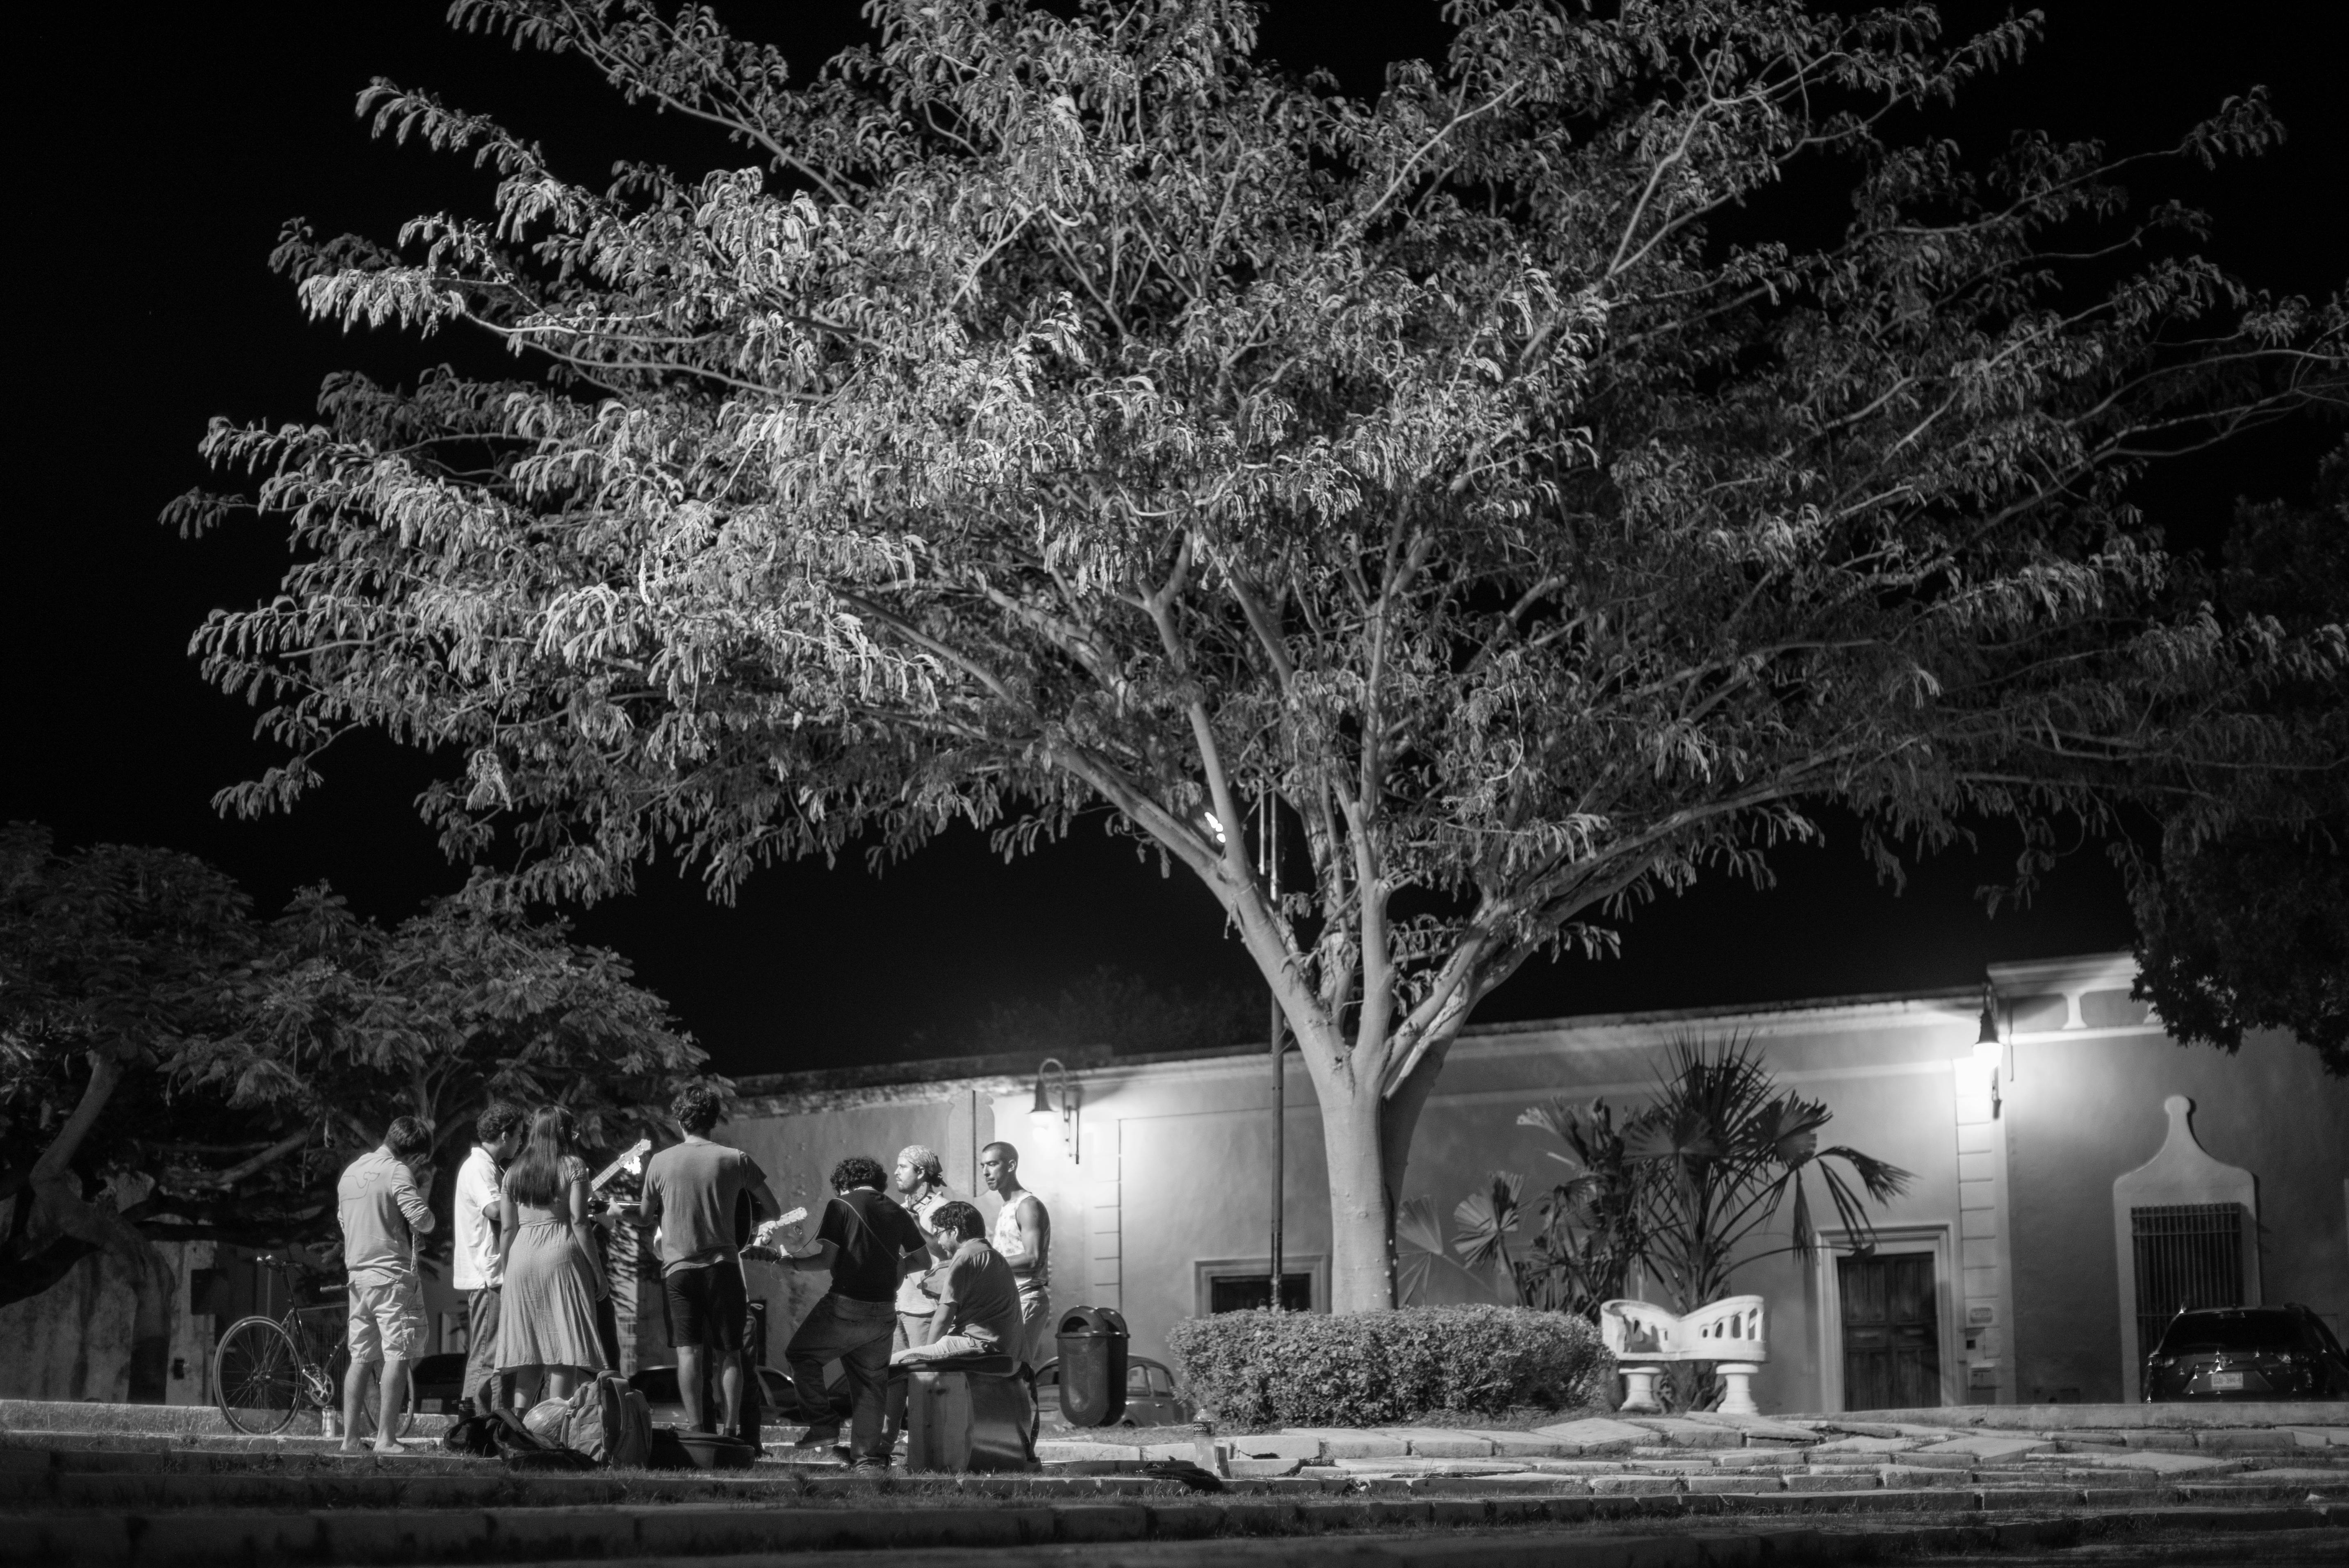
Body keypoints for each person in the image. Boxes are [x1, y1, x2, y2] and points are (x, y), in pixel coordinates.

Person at [627, 1082, 777, 1434]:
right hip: (723, 1269)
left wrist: (617, 1214)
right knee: (730, 1352)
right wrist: (753, 1232)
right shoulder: (735, 1159)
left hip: (678, 1271)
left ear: (680, 1120)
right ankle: (731, 1431)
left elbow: (645, 1217)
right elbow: (773, 1208)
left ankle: (697, 1430)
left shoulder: (660, 1162)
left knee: (688, 1353)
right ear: (714, 1120)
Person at [779, 1154, 929, 1469]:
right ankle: (866, 1461)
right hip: (885, 1311)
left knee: (802, 1356)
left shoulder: (841, 1205)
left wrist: (789, 1262)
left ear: (843, 1182)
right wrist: (898, 1269)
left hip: (846, 1305)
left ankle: (822, 1424)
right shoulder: (898, 1211)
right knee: (871, 1386)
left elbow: (825, 1260)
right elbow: (923, 1261)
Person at [335, 1114, 437, 1454]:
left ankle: (349, 1440)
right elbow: (421, 1219)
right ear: (416, 1155)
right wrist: (426, 1217)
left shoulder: (350, 1174)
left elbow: (342, 1221)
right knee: (398, 1353)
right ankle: (385, 1439)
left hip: (357, 1275)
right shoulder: (397, 1171)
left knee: (361, 1357)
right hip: (392, 1276)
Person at [495, 1106, 609, 1404]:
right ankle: (553, 1429)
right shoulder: (573, 1166)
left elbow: (508, 1228)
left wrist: (508, 1271)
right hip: (560, 1255)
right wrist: (598, 1273)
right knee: (564, 1351)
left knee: (528, 1352)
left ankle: (521, 1429)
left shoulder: (513, 1171)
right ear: (563, 1132)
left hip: (521, 1258)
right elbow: (580, 1222)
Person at [452, 1101, 526, 1417]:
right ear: (505, 1134)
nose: (521, 1143)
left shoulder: (489, 1166)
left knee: (499, 1354)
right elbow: (494, 1210)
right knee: (486, 1352)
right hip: (487, 1274)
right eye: (519, 1136)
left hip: (494, 1274)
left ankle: (494, 1420)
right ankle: (472, 1424)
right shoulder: (479, 1166)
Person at [889, 1201, 1023, 1364]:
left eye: (939, 1234)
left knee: (893, 1363)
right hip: (1004, 1346)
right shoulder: (993, 1255)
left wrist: (927, 1358)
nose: (938, 1242)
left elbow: (943, 1318)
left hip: (976, 1343)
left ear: (954, 1231)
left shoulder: (965, 1256)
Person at [978, 1141, 1052, 1365]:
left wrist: (986, 1263)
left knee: (1017, 1372)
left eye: (992, 1164)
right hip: (1010, 1300)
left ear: (1011, 1166)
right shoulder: (1008, 1206)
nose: (986, 1172)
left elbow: (1032, 1259)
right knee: (1007, 1372)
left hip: (1027, 1298)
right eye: (983, 1166)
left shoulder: (1027, 1205)